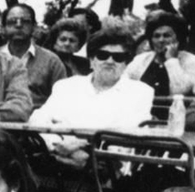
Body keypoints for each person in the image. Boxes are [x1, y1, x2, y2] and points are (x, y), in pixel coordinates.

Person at [30, 25, 156, 162]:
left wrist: (84, 147)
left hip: (107, 166)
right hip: (57, 157)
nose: (110, 61)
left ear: (126, 63)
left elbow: (128, 132)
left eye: (118, 57)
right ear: (91, 60)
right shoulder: (66, 86)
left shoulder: (140, 92)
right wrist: (56, 145)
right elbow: (38, 119)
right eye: (102, 55)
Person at [126, 9, 195, 122]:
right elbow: (124, 85)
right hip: (141, 119)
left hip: (175, 121)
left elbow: (180, 90)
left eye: (167, 35)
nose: (161, 40)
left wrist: (171, 60)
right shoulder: (141, 60)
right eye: (156, 36)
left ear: (178, 38)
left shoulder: (193, 62)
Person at [3, 1, 70, 108]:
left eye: (25, 21)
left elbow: (62, 99)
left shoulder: (51, 61)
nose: (19, 25)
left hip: (38, 122)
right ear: (3, 27)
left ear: (34, 26)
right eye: (12, 21)